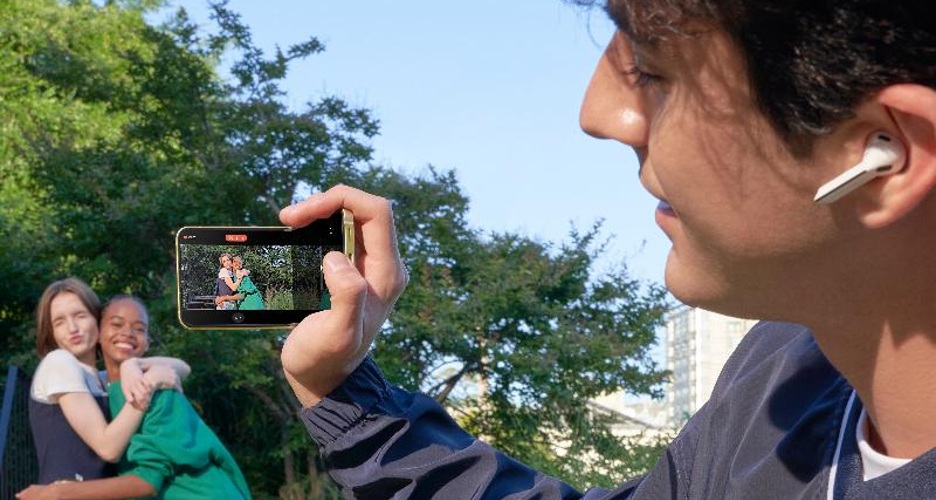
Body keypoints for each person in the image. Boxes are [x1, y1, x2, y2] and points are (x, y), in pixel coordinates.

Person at [274, 0, 936, 498]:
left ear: (888, 150)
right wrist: (341, 389)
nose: (598, 115)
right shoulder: (783, 377)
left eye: (651, 69)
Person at [18, 295, 252, 499]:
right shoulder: (102, 387)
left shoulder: (160, 390)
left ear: (147, 342)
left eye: (139, 329)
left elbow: (148, 481)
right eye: (116, 324)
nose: (127, 333)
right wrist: (133, 366)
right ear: (99, 332)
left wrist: (57, 493)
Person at [28, 278, 185, 485]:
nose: (72, 328)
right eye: (59, 322)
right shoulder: (59, 361)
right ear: (52, 333)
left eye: (80, 316)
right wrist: (149, 383)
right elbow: (108, 448)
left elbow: (182, 368)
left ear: (98, 320)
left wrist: (133, 364)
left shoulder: (100, 379)